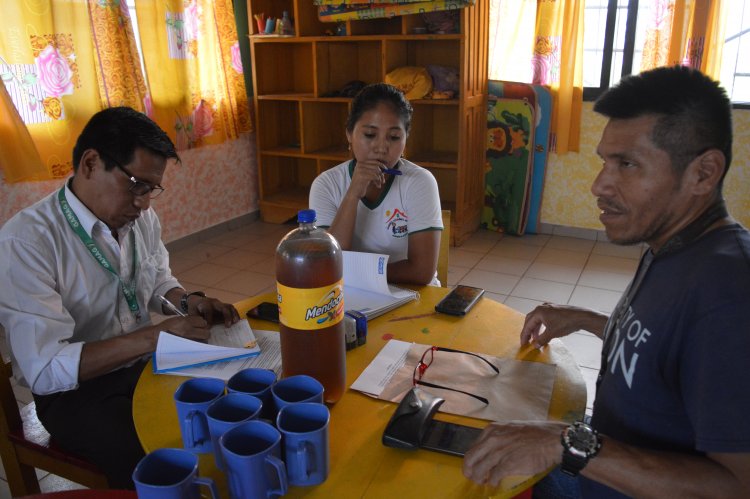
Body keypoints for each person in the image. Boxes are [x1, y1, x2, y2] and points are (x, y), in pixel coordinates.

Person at [463, 66, 750, 497]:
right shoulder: (673, 243)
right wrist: (591, 320)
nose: (599, 185)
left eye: (628, 164)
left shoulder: (731, 295)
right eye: (604, 162)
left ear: (704, 173)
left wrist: (570, 447)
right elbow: (667, 348)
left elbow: (738, 486)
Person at [0, 107, 240, 489]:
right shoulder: (27, 242)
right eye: (136, 184)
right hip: (73, 395)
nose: (144, 203)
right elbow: (45, 371)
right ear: (91, 164)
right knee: (156, 459)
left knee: (228, 408)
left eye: (151, 189)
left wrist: (187, 301)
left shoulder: (140, 218)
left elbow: (157, 280)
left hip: (140, 364)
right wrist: (154, 338)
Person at [309, 83, 443, 286]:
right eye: (370, 135)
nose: (381, 147)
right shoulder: (326, 184)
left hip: (412, 293)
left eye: (394, 137)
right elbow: (328, 262)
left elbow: (422, 272)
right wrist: (352, 194)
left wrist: (357, 272)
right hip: (351, 294)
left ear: (406, 139)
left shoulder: (420, 182)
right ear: (349, 134)